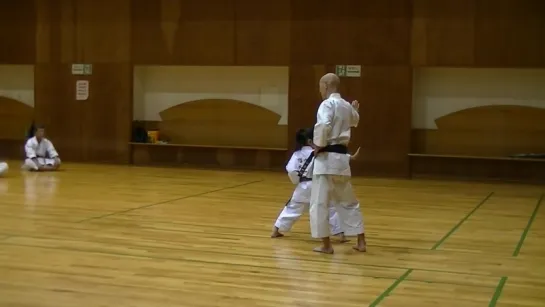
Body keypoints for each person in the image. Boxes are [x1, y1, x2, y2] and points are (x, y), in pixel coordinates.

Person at [310, 73, 366, 254]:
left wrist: (318, 145)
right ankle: (361, 241)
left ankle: (326, 245)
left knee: (319, 203)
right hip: (342, 160)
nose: (320, 90)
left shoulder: (327, 104)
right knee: (348, 201)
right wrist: (355, 109)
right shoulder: (346, 105)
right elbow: (355, 121)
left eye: (320, 86)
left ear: (326, 85)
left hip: (326, 159)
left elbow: (324, 125)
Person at [271, 127, 361, 242]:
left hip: (303, 186)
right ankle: (341, 235)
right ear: (310, 141)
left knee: (292, 208)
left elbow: (291, 170)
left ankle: (276, 230)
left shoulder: (297, 154)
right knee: (331, 208)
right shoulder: (320, 153)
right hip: (318, 185)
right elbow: (335, 160)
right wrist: (349, 157)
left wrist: (297, 181)